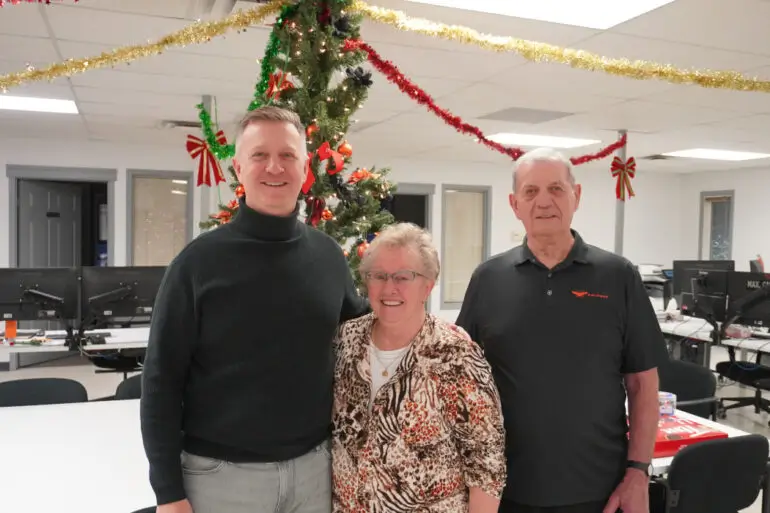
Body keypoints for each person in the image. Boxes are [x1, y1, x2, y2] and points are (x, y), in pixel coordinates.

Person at [140, 106, 369, 513]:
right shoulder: (196, 264)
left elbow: (365, 332)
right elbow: (161, 381)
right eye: (260, 155)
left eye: (287, 155)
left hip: (314, 472)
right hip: (220, 478)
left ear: (305, 169)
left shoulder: (328, 256)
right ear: (239, 168)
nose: (274, 167)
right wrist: (168, 493)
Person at [456, 148, 668, 513]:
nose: (544, 201)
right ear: (515, 204)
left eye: (556, 189)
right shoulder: (488, 279)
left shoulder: (618, 276)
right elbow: (460, 381)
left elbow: (643, 384)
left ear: (576, 196)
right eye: (531, 191)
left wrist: (637, 471)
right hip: (503, 488)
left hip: (598, 488)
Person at [332, 222, 507, 513]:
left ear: (428, 285)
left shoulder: (456, 355)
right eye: (379, 276)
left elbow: (486, 466)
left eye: (403, 277)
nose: (389, 288)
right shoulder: (345, 341)